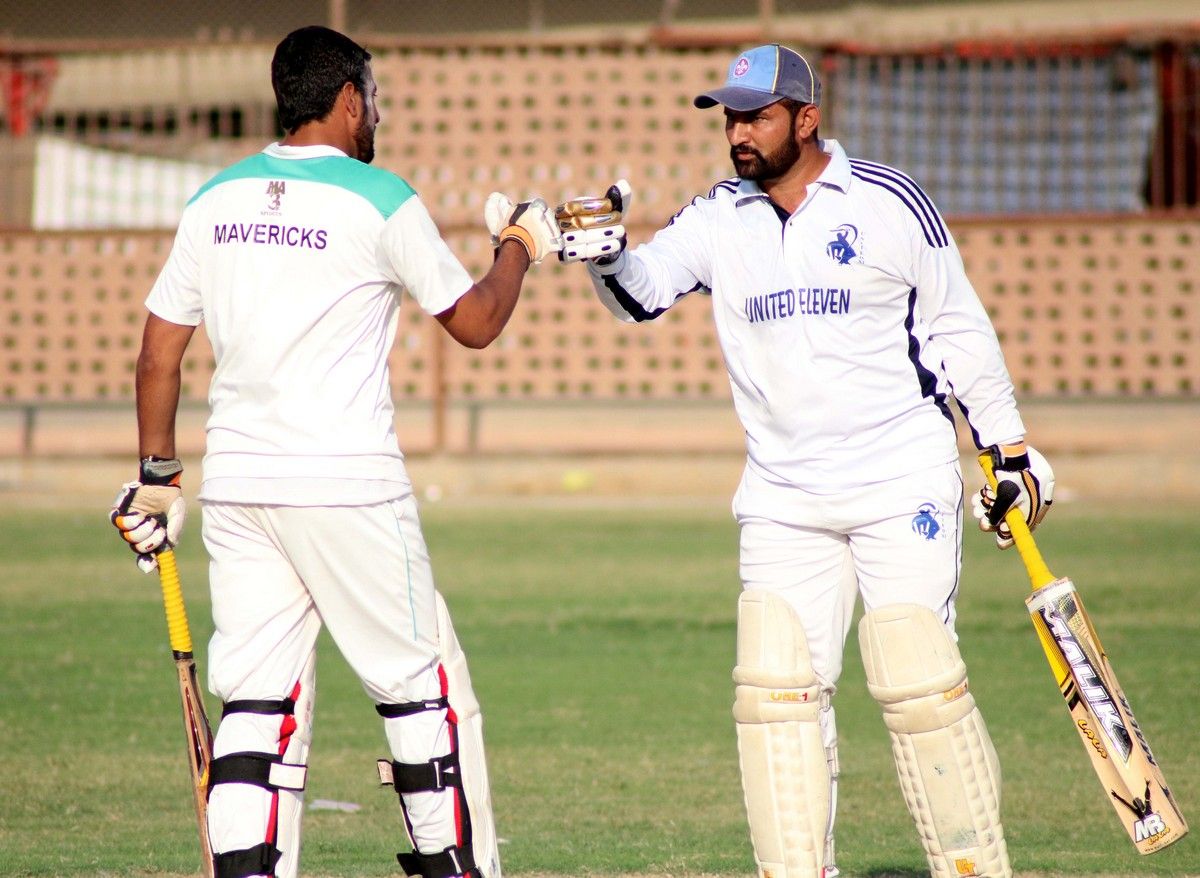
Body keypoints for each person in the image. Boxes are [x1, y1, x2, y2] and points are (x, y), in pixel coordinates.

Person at [557, 44, 1053, 878]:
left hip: (900, 481)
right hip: (783, 496)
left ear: (807, 117)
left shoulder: (889, 202)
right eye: (730, 118)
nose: (738, 134)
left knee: (920, 687)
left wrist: (1009, 454)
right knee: (776, 695)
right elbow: (643, 293)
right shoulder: (719, 216)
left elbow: (958, 330)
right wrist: (607, 257)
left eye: (756, 117)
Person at [109, 25, 562, 878]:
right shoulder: (380, 198)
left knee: (256, 706)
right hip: (349, 487)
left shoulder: (213, 199)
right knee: (421, 694)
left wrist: (156, 479)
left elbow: (157, 354)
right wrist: (520, 247)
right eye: (374, 98)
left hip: (240, 490)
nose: (378, 114)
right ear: (349, 98)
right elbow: (476, 323)